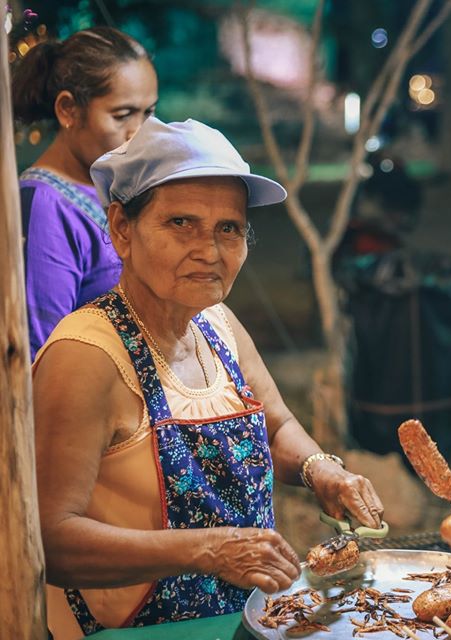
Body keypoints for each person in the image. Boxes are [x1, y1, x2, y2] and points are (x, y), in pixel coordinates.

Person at [33, 117, 385, 639]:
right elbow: (49, 539)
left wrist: (321, 472)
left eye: (229, 229)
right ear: (122, 228)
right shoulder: (87, 355)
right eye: (181, 223)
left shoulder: (217, 323)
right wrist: (208, 550)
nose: (210, 251)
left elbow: (276, 426)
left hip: (239, 621)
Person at [13, 26, 158, 358]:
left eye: (148, 112)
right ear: (68, 110)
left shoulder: (120, 186)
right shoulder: (45, 208)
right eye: (122, 115)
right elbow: (41, 356)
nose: (139, 132)